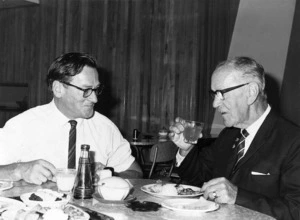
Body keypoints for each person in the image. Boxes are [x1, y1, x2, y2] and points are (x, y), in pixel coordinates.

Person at [169, 56, 300, 220]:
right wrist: (186, 149)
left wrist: (238, 196)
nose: (215, 104)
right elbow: (199, 177)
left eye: (221, 93)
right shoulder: (229, 134)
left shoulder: (293, 141)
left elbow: (295, 210)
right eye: (214, 94)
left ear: (251, 92)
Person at [0, 52, 142, 185]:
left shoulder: (105, 128)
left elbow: (136, 173)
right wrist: (18, 170)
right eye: (86, 90)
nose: (95, 98)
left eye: (96, 90)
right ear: (58, 89)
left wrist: (109, 174)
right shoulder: (21, 125)